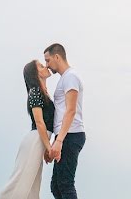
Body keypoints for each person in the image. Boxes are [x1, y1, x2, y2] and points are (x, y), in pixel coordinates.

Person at [0, 60, 55, 199]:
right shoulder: (35, 92)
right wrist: (49, 148)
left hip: (40, 141)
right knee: (20, 184)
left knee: (32, 188)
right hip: (35, 141)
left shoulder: (43, 93)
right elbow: (40, 122)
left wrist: (46, 147)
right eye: (41, 65)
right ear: (35, 74)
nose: (45, 66)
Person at [43, 43, 85, 199]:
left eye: (48, 61)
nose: (47, 65)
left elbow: (71, 110)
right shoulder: (65, 78)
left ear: (57, 57)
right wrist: (55, 142)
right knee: (56, 186)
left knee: (65, 184)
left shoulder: (71, 76)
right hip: (64, 135)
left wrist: (59, 140)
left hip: (71, 135)